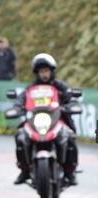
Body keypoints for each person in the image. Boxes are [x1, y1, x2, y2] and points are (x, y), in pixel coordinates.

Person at [13, 53, 78, 185]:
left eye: (46, 71)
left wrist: (71, 106)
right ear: (37, 73)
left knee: (69, 136)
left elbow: (71, 98)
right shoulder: (30, 88)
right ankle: (24, 170)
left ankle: (69, 172)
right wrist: (17, 108)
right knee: (20, 135)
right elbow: (20, 100)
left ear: (52, 71)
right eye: (41, 71)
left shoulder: (60, 86)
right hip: (35, 122)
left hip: (57, 120)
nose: (44, 74)